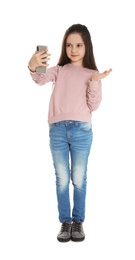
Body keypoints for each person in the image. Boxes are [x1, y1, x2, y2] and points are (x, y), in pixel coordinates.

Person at [28, 23, 112, 242]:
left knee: (79, 179)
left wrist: (94, 83)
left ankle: (78, 222)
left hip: (82, 131)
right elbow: (39, 79)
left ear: (87, 47)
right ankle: (65, 222)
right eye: (68, 45)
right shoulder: (59, 70)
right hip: (57, 129)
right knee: (62, 179)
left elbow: (93, 106)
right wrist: (33, 65)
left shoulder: (92, 73)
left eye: (78, 45)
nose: (73, 49)